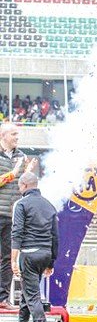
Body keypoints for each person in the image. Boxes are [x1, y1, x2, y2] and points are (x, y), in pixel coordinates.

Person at [8, 172, 58, 322]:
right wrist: (51, 262)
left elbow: (17, 233)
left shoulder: (21, 204)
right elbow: (55, 236)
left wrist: (13, 260)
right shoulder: (49, 205)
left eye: (20, 186)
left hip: (29, 254)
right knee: (28, 294)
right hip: (44, 254)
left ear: (24, 185)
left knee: (32, 295)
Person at [0, 123, 28, 310]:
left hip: (11, 215)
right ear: (3, 135)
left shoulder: (21, 156)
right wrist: (16, 171)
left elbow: (22, 184)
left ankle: (2, 298)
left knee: (6, 258)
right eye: (13, 134)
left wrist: (26, 173)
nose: (17, 137)